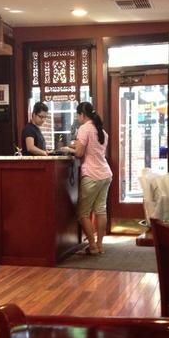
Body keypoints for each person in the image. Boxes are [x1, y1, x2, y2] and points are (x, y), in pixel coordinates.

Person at [63, 102, 112, 255]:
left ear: (82, 115)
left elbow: (79, 153)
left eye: (78, 115)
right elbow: (91, 148)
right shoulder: (102, 131)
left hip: (92, 175)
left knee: (82, 213)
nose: (77, 118)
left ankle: (92, 246)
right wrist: (75, 146)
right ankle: (100, 245)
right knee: (101, 210)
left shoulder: (84, 128)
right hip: (105, 174)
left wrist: (67, 148)